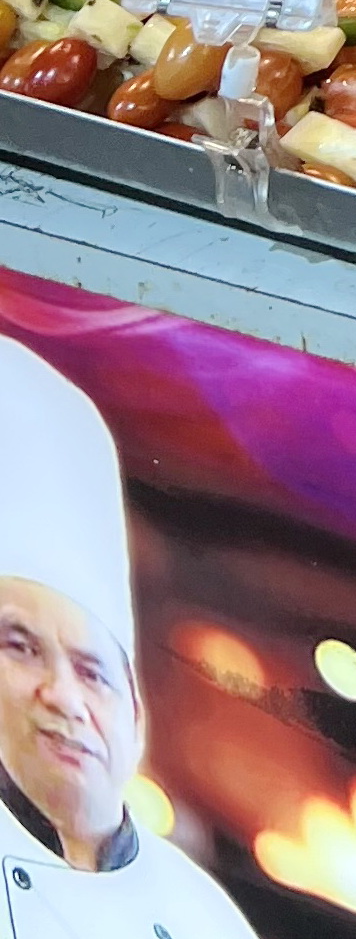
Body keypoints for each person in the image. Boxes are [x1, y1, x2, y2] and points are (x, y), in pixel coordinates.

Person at [0, 337, 257, 939]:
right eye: (21, 647)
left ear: (137, 718)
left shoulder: (205, 916)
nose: (65, 698)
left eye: (92, 672)